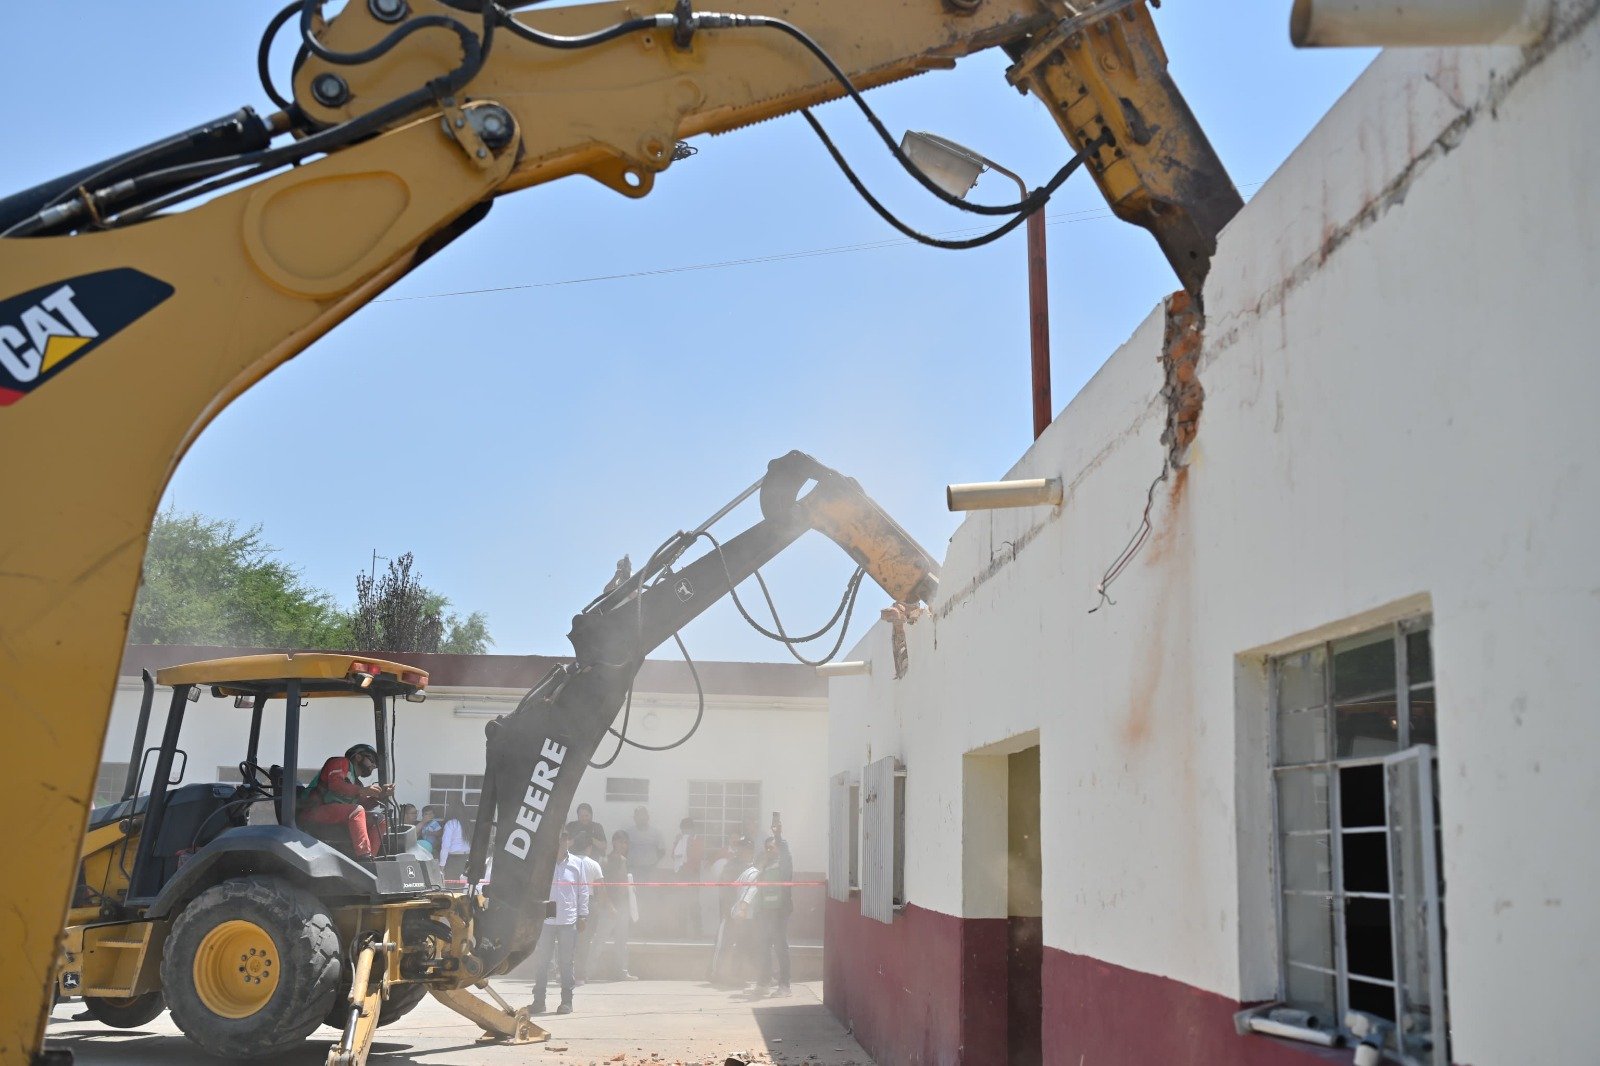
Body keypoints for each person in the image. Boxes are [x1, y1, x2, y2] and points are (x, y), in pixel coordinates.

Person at [528, 829, 589, 1015]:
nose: (560, 844)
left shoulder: (577, 864)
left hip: (568, 917)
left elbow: (583, 891)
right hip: (548, 914)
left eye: (563, 840)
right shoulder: (544, 863)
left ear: (568, 841)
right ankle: (539, 1001)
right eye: (557, 840)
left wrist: (583, 915)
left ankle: (566, 1002)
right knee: (543, 961)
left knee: (566, 962)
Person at [298, 743, 393, 859]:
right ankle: (364, 856)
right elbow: (336, 784)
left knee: (380, 819)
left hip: (333, 814)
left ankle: (371, 861)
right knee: (357, 811)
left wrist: (381, 796)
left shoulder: (357, 783)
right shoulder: (341, 762)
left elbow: (364, 805)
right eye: (372, 760)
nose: (374, 765)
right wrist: (363, 790)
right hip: (313, 811)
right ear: (358, 757)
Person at [752, 818, 794, 996]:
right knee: (763, 947)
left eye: (772, 847)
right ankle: (764, 982)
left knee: (780, 947)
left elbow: (785, 852)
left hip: (779, 912)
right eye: (767, 848)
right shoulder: (763, 867)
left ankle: (784, 986)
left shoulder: (784, 865)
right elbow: (758, 891)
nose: (769, 850)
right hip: (764, 913)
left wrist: (778, 835)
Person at [709, 837, 758, 988]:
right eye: (743, 848)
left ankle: (737, 975)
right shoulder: (732, 866)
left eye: (748, 849)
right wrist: (730, 911)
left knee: (742, 945)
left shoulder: (753, 866)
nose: (745, 851)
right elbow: (725, 890)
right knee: (724, 943)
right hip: (730, 912)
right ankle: (716, 974)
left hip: (747, 915)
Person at [592, 830, 640, 981]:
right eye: (621, 841)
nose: (623, 845)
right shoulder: (604, 861)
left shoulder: (625, 861)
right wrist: (609, 905)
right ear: (614, 842)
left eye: (626, 842)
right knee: (599, 940)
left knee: (622, 941)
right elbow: (601, 886)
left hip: (623, 907)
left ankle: (621, 972)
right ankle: (585, 971)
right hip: (608, 907)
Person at [569, 830, 604, 985]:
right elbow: (601, 889)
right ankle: (580, 976)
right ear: (589, 847)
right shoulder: (594, 864)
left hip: (569, 903)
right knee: (584, 941)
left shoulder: (569, 862)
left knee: (567, 940)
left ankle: (563, 973)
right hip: (589, 904)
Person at [670, 817, 705, 937]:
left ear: (693, 829)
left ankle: (698, 933)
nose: (685, 832)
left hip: (693, 877)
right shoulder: (679, 840)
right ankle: (681, 932)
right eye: (683, 830)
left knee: (694, 905)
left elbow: (697, 856)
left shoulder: (697, 840)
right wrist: (677, 842)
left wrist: (688, 843)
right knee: (681, 905)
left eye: (688, 829)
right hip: (681, 876)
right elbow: (673, 855)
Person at [624, 806, 665, 878]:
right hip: (633, 869)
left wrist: (654, 861)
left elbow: (662, 850)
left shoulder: (656, 832)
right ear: (634, 818)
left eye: (643, 815)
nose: (641, 818)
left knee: (650, 889)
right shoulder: (628, 832)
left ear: (648, 817)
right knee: (633, 889)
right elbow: (623, 850)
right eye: (638, 816)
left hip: (651, 869)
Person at [438, 801, 472, 880]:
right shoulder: (467, 823)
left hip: (454, 859)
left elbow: (445, 845)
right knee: (463, 886)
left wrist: (442, 865)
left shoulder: (451, 824)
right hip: (467, 858)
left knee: (452, 886)